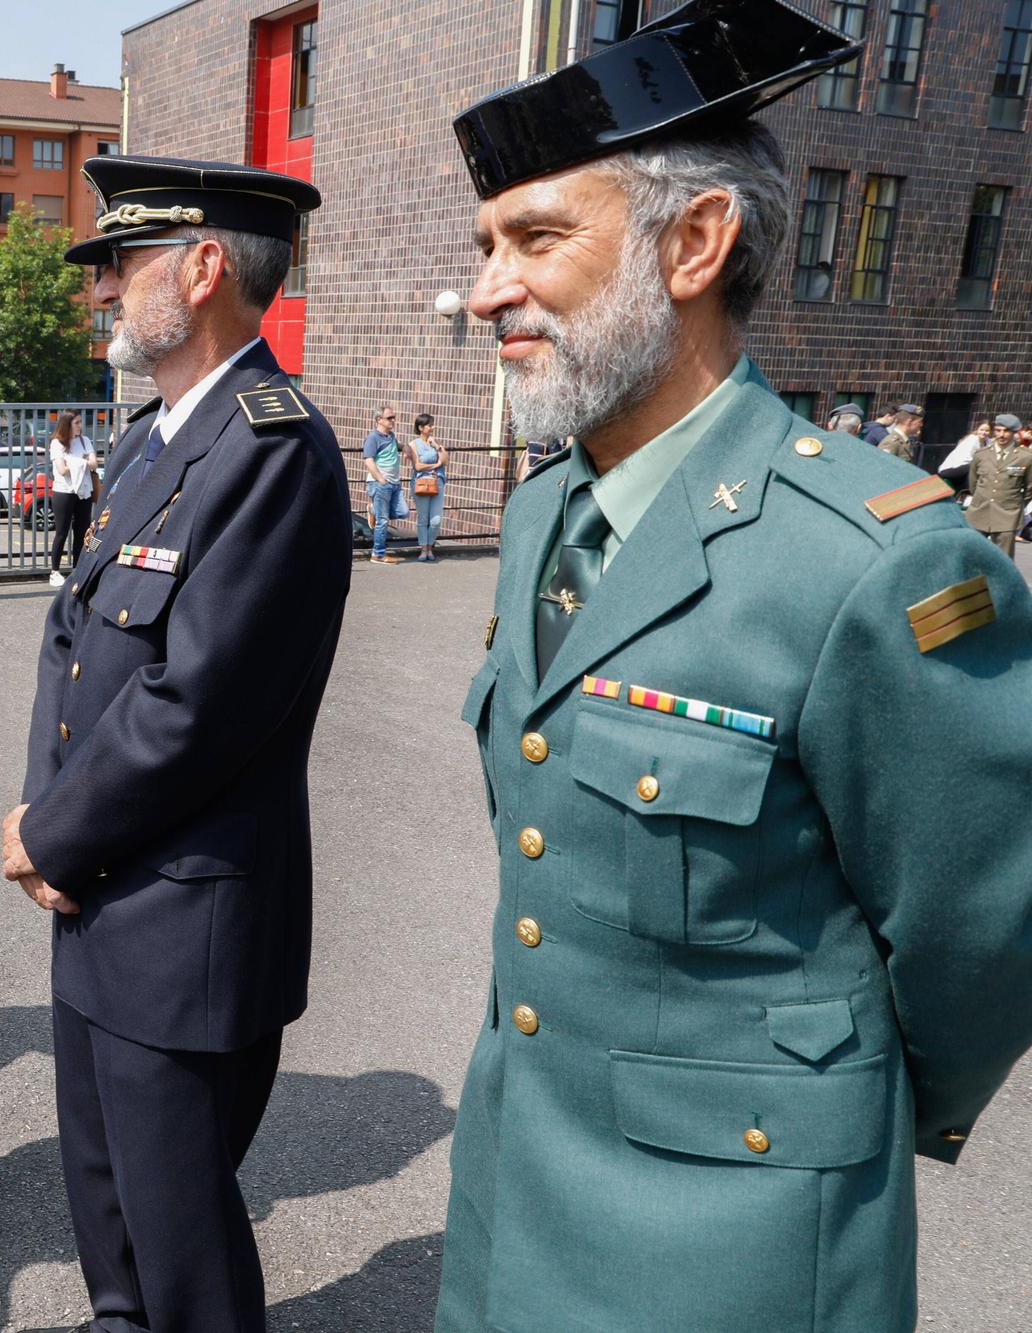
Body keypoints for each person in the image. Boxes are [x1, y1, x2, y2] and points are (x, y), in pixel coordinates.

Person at [440, 3, 1032, 1329]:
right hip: (516, 1174)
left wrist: (842, 1095)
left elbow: (985, 927)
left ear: (697, 242)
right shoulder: (547, 511)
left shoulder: (879, 562)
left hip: (741, 1231)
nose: (485, 289)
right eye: (486, 247)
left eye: (535, 239)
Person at [2, 155, 352, 1332]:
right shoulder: (149, 438)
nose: (102, 290)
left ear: (204, 269)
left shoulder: (270, 448)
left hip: (183, 918)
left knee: (180, 1236)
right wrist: (44, 826)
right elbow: (74, 651)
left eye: (121, 262)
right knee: (104, 1208)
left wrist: (48, 830)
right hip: (96, 890)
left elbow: (193, 702)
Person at [963, 411, 1032, 560]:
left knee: (1003, 559)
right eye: (998, 430)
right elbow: (973, 483)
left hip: (1007, 514)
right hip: (979, 512)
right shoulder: (981, 454)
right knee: (972, 556)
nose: (1001, 435)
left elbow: (1029, 488)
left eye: (1006, 431)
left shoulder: (1025, 457)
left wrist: (1013, 503)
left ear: (1014, 433)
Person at [47, 410, 97, 586]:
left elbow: (94, 463)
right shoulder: (57, 443)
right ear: (67, 424)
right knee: (61, 532)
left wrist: (75, 463)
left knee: (82, 531)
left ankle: (78, 569)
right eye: (76, 423)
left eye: (80, 422)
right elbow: (61, 470)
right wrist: (82, 462)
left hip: (83, 491)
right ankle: (54, 571)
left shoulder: (85, 441)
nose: (79, 426)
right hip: (63, 491)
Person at [362, 404, 405, 564]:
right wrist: (380, 479)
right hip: (380, 484)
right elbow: (368, 460)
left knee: (403, 511)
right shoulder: (373, 438)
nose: (393, 420)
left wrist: (405, 447)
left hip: (394, 483)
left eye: (393, 417)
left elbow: (394, 446)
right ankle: (378, 554)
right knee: (383, 521)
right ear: (379, 420)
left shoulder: (391, 436)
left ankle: (374, 510)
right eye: (389, 418)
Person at [407, 412, 447, 561]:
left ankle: (430, 546)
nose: (433, 427)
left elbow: (445, 460)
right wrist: (435, 465)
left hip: (437, 483)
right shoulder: (413, 444)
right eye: (430, 425)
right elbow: (417, 465)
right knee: (423, 518)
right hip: (421, 483)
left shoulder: (435, 443)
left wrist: (437, 446)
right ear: (421, 427)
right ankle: (424, 549)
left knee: (436, 520)